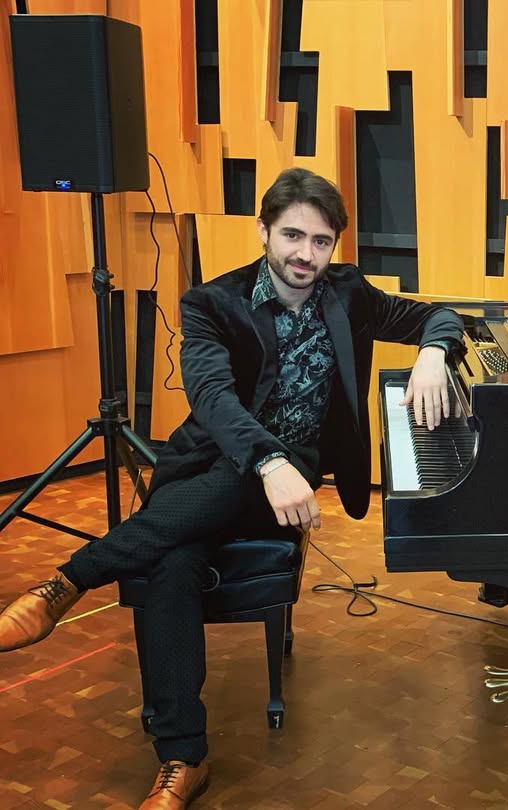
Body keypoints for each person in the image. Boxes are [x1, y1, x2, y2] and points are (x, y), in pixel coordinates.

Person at [0, 167, 464, 808]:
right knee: (173, 561)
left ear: (335, 246)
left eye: (322, 241)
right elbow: (213, 398)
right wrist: (267, 462)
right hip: (215, 468)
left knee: (210, 508)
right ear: (264, 231)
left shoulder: (349, 293)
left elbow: (438, 314)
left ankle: (68, 583)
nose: (306, 254)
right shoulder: (211, 303)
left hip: (290, 482)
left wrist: (435, 351)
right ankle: (183, 760)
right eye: (293, 236)